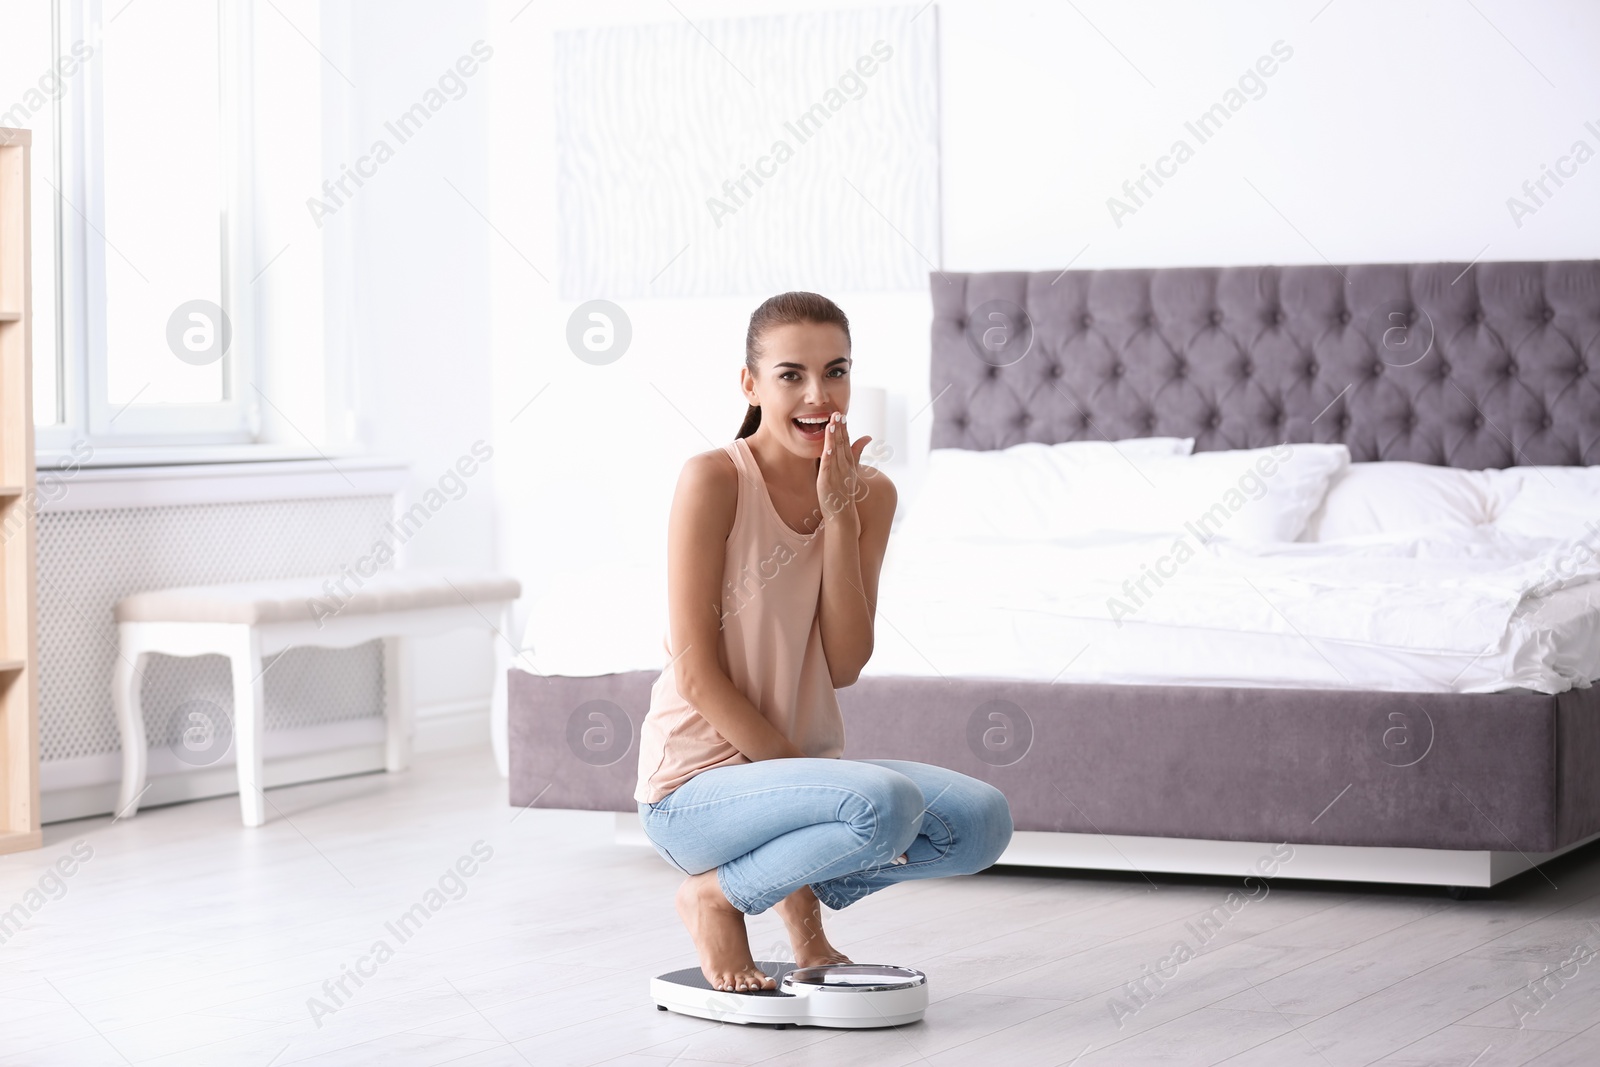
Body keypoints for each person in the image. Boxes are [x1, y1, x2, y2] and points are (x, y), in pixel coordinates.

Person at [634, 291, 1015, 993]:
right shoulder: (713, 478)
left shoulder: (870, 494)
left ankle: (780, 890)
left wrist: (840, 518)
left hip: (805, 780)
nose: (819, 395)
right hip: (693, 793)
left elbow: (845, 662)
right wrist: (813, 783)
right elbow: (694, 673)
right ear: (749, 384)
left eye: (835, 371)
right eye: (791, 375)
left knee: (980, 822)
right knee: (882, 804)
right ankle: (714, 895)